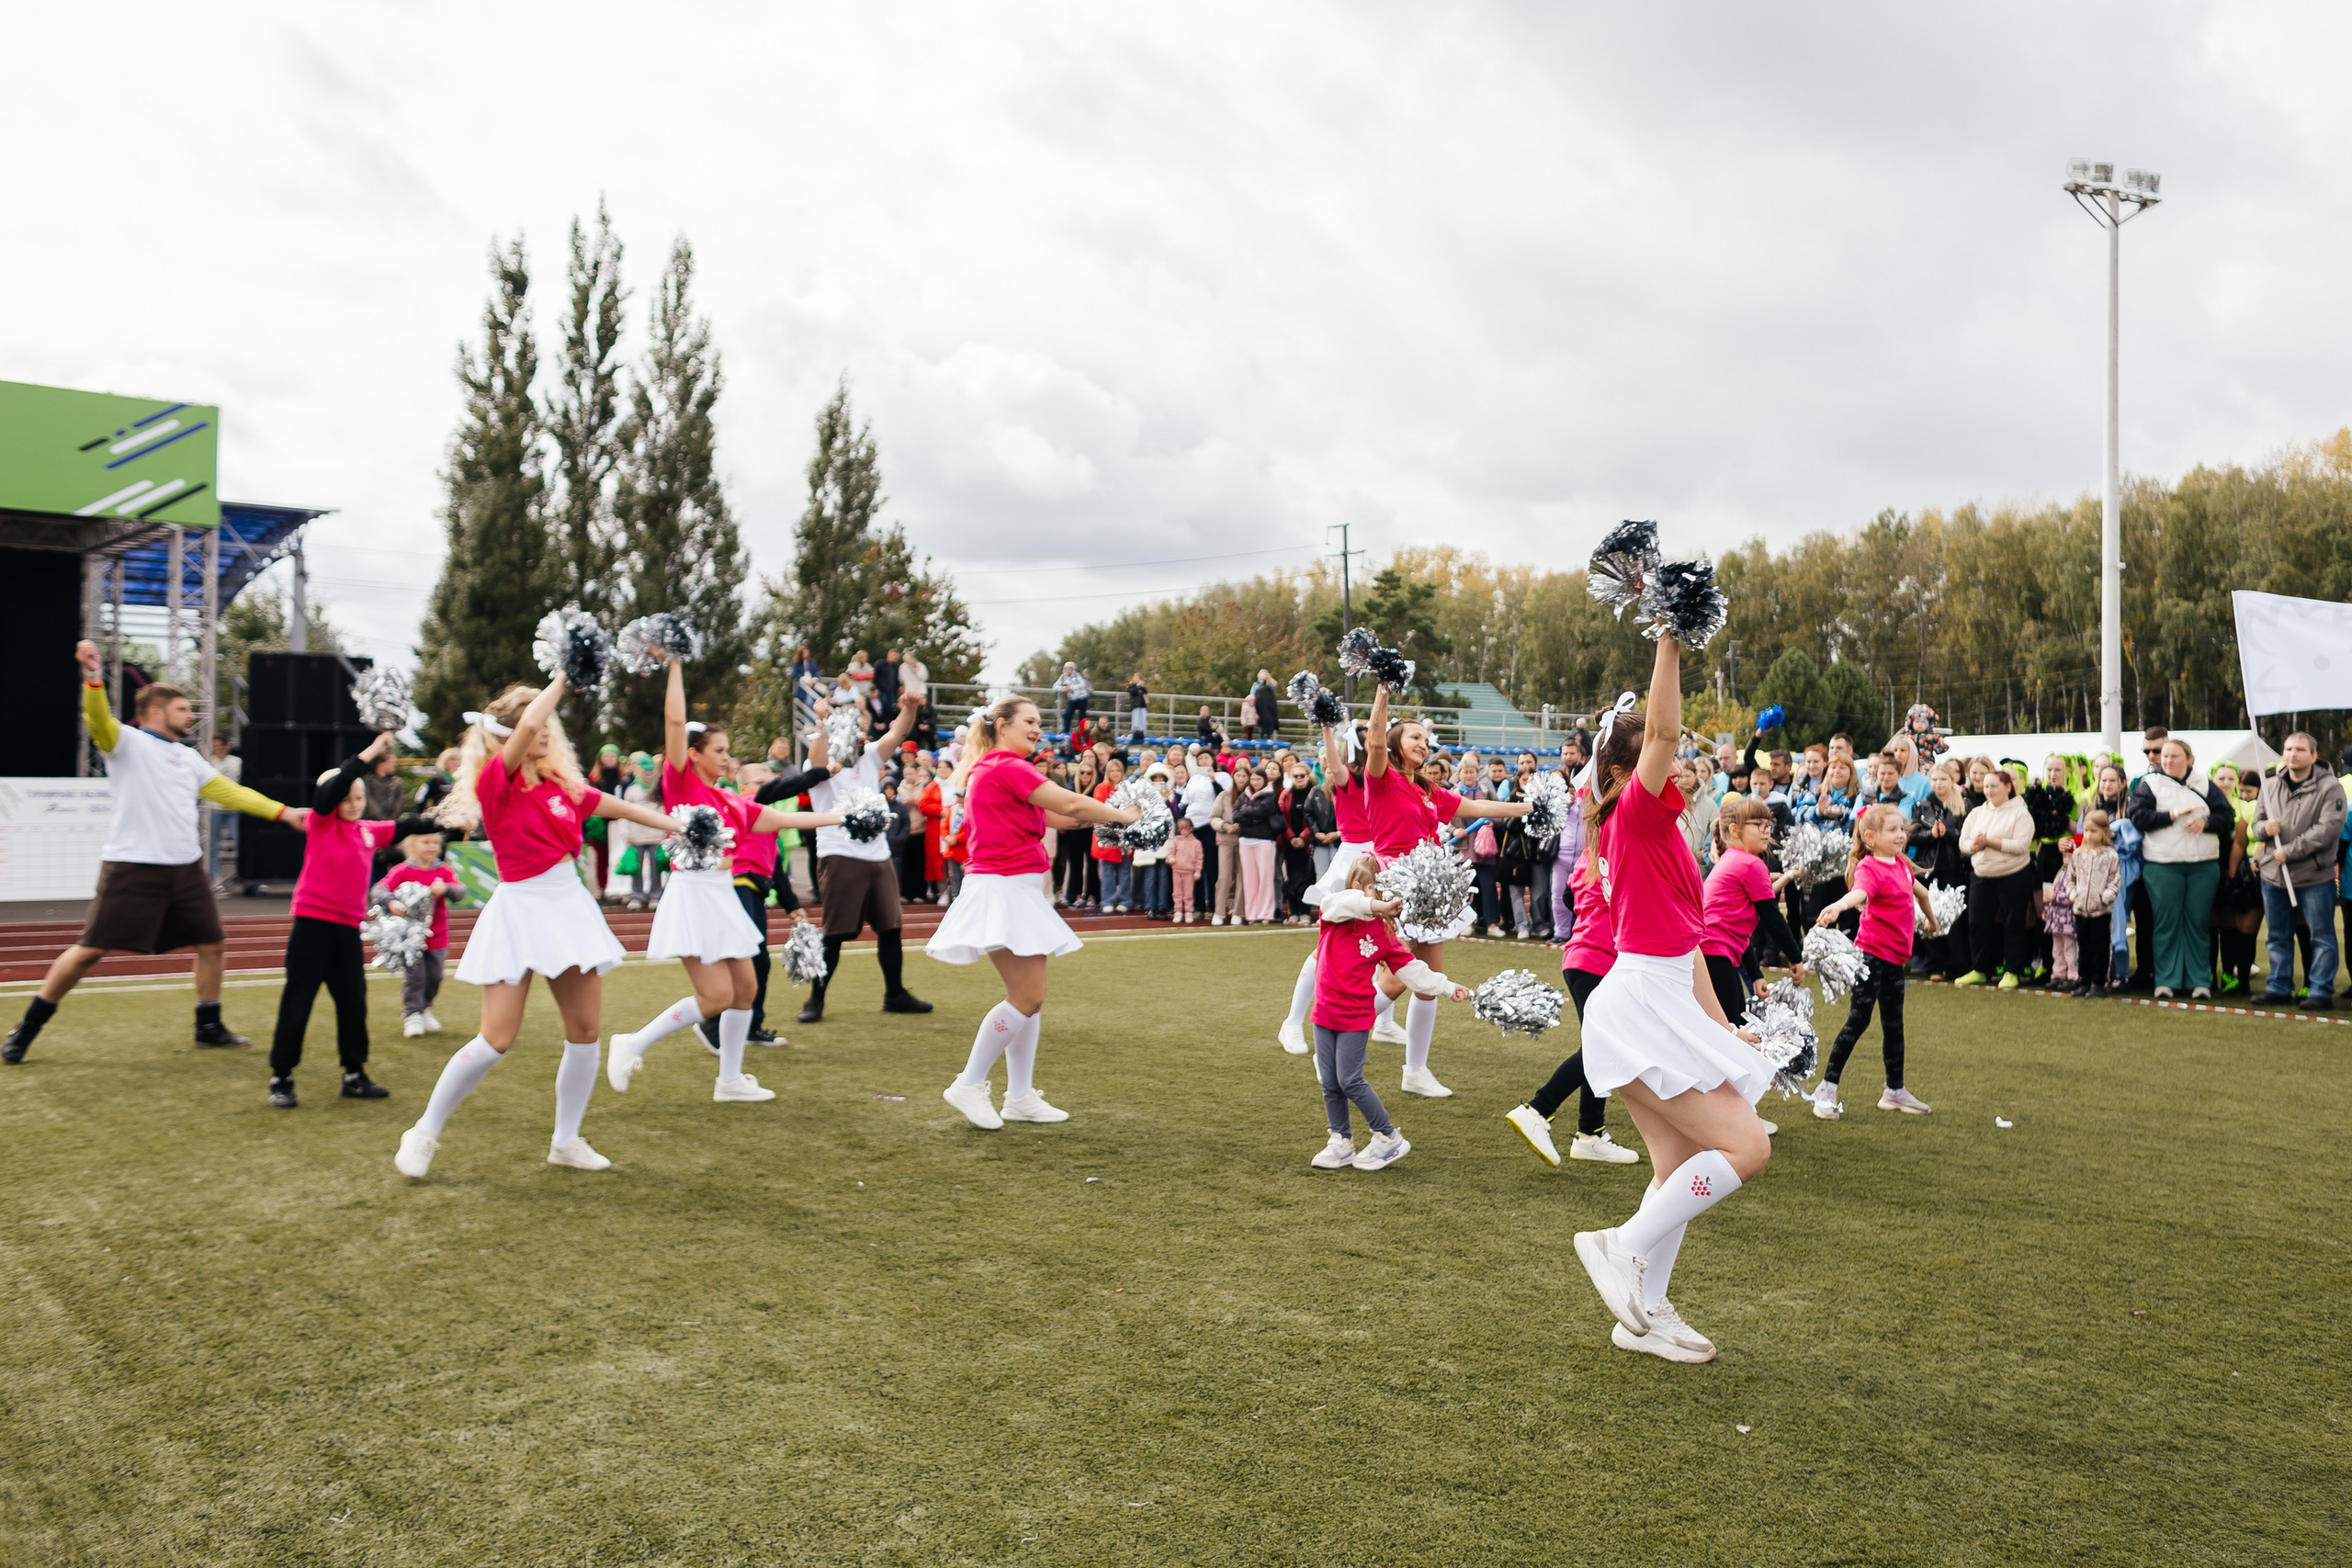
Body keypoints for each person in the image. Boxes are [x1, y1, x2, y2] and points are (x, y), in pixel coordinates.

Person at [1570, 624, 1773, 1367]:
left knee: (1675, 1165)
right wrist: (1670, 637)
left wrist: (1723, 1030)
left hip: (1656, 1001)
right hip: (1638, 1004)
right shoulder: (1636, 809)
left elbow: (1688, 949)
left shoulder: (1657, 830)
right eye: (1668, 754)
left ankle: (1646, 1313)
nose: (1682, 759)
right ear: (1631, 771)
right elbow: (1660, 727)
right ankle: (1620, 1246)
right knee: (1747, 1145)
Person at [395, 675, 683, 1179]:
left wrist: (679, 825)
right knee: (496, 1038)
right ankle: (424, 1130)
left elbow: (611, 805)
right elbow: (528, 723)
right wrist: (567, 671)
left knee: (586, 1032)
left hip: (568, 905)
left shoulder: (560, 785)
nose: (545, 730)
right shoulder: (496, 782)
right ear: (507, 736)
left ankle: (566, 1141)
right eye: (537, 723)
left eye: (551, 723)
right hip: (520, 909)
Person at [6, 643, 311, 1065]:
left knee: (212, 944)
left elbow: (229, 792)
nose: (190, 716)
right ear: (154, 711)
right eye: (182, 709)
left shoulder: (188, 757)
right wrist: (93, 678)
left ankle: (208, 1025)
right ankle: (27, 1028)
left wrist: (283, 812)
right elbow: (97, 721)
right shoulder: (125, 742)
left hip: (185, 869)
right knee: (90, 950)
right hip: (131, 867)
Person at [608, 658, 842, 1102]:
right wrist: (674, 663)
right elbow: (674, 721)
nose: (726, 757)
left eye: (727, 750)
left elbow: (778, 819)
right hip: (693, 895)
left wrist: (843, 817)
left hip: (722, 896)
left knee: (746, 990)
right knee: (715, 996)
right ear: (694, 754)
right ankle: (632, 1043)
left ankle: (729, 1081)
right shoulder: (681, 784)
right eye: (718, 750)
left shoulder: (728, 798)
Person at [927, 695, 1141, 1128]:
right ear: (1002, 726)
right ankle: (969, 1082)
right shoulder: (1006, 766)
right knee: (1027, 997)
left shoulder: (999, 768)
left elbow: (1060, 818)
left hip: (1015, 887)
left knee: (1030, 1000)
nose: (1037, 728)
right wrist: (1124, 815)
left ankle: (1020, 1096)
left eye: (1039, 722)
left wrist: (1112, 817)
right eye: (1028, 720)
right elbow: (1072, 805)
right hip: (1002, 888)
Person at [1359, 677, 1529, 1098]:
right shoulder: (1381, 777)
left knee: (1428, 978)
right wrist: (1383, 691)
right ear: (1396, 744)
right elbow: (1375, 743)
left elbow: (1479, 805)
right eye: (1414, 737)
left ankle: (1414, 1071)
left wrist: (1529, 806)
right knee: (1401, 977)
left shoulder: (1427, 788)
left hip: (1430, 887)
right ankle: (1339, 1031)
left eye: (1425, 738)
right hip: (1397, 882)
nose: (1423, 743)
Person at [1504, 778, 1642, 1168]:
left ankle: (1590, 1132)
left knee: (1601, 1045)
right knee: (1603, 1047)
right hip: (1597, 960)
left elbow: (1569, 896)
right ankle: (1539, 1109)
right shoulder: (1618, 850)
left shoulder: (1590, 853)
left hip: (1582, 958)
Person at [1306, 857, 1474, 1171]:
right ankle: (1340, 1140)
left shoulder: (1381, 934)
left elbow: (1412, 970)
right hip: (1324, 1012)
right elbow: (1335, 903)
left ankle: (1387, 1136)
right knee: (1329, 1082)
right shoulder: (1334, 915)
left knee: (1349, 1080)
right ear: (1356, 887)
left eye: (1381, 892)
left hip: (1355, 1017)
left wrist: (1448, 987)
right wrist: (1378, 906)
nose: (1379, 897)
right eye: (1372, 889)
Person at [268, 734, 406, 1109]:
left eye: (359, 798)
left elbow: (406, 826)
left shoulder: (367, 831)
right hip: (312, 926)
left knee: (353, 1003)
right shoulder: (320, 821)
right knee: (298, 1000)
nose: (354, 804)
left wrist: (446, 820)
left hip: (347, 930)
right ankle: (282, 1077)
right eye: (347, 798)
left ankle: (354, 1074)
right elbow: (337, 785)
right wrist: (372, 752)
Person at [801, 687, 933, 1022]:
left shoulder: (869, 756)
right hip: (839, 854)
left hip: (878, 855)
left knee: (890, 927)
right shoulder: (825, 760)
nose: (861, 731)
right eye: (854, 726)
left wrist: (910, 707)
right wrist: (822, 724)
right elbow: (816, 764)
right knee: (835, 933)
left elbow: (897, 733)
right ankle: (815, 1000)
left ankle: (895, 993)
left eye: (862, 725)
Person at [1808, 804, 1937, 1120]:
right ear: (1870, 837)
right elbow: (1860, 893)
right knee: (1858, 1020)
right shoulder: (1869, 867)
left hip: (1895, 960)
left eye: (1902, 829)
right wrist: (1839, 905)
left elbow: (1921, 893)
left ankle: (1894, 1090)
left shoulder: (1901, 864)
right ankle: (1825, 1089)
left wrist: (1931, 920)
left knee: (1894, 1025)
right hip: (1871, 957)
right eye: (1892, 830)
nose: (1901, 835)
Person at [2128, 738, 2230, 999]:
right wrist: (2173, 814)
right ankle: (2166, 981)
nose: (2168, 760)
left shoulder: (2204, 783)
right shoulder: (2149, 784)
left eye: (2175, 756)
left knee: (2198, 923)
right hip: (2162, 865)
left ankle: (2199, 981)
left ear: (2189, 759)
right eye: (2165, 756)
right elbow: (2138, 817)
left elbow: (2227, 817)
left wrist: (2206, 823)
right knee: (2167, 923)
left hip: (2203, 864)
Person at [2250, 730, 2344, 1010]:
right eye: (2289, 748)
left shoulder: (2330, 787)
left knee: (2321, 936)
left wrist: (2289, 851)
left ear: (2314, 756)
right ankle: (2279, 986)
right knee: (2277, 935)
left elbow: (2326, 830)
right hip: (2273, 875)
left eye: (2300, 750)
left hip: (2313, 875)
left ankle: (2320, 990)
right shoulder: (2269, 785)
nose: (2293, 754)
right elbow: (2256, 823)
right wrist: (2264, 829)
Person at [1698, 798, 1805, 1022]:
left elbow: (1739, 932)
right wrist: (1796, 958)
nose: (1766, 831)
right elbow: (1772, 918)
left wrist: (1755, 975)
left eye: (1768, 824)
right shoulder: (1750, 864)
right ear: (1734, 829)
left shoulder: (1733, 859)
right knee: (1730, 1028)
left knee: (1734, 1024)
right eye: (1758, 824)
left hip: (1709, 952)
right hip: (1713, 953)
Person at [1954, 764, 2035, 989]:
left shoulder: (2021, 813)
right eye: (1986, 786)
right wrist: (1974, 846)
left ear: (2008, 787)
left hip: (2014, 874)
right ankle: (1980, 969)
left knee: (2013, 924)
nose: (1989, 790)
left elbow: (2021, 846)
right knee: (1977, 923)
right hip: (1981, 874)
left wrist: (1989, 842)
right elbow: (1963, 843)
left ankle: (2012, 971)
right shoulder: (1977, 813)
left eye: (1994, 786)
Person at [381, 821, 463, 1036]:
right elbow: (379, 890)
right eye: (426, 842)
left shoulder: (443, 871)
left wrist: (446, 889)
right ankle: (412, 1014)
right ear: (411, 845)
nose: (432, 846)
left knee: (435, 977)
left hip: (438, 936)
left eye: (436, 842)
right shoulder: (402, 871)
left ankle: (425, 1008)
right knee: (416, 977)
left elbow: (459, 892)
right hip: (411, 939)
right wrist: (390, 902)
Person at [2065, 812, 2120, 997]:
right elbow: (2070, 878)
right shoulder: (2078, 854)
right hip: (2081, 909)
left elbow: (2114, 882)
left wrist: (2104, 899)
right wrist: (2074, 895)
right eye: (2086, 830)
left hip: (2101, 912)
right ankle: (2084, 981)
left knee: (2100, 948)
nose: (2088, 835)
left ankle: (2098, 983)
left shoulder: (2111, 855)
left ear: (2104, 831)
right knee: (2084, 947)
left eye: (2093, 831)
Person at [616, 753, 668, 910]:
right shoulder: (631, 790)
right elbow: (624, 812)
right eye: (646, 770)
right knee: (636, 868)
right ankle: (636, 896)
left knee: (656, 868)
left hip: (655, 836)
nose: (648, 773)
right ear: (639, 770)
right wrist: (625, 834)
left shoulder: (659, 789)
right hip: (636, 836)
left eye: (651, 770)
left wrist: (665, 831)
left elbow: (664, 811)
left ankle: (655, 895)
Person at [1235, 763, 1282, 923]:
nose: (1255, 782)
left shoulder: (1270, 796)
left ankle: (1265, 914)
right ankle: (1252, 914)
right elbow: (1235, 815)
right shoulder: (1243, 795)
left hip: (1264, 841)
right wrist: (1251, 816)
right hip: (1245, 841)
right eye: (1253, 779)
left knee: (1265, 878)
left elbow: (1262, 812)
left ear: (1264, 780)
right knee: (1249, 880)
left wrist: (1246, 811)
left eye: (1258, 779)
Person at [1277, 760, 1319, 923]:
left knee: (1307, 878)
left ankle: (1305, 912)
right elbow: (1281, 817)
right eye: (1296, 776)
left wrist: (1303, 837)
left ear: (1308, 776)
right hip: (1290, 844)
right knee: (1292, 877)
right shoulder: (1286, 794)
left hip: (1309, 844)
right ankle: (1293, 912)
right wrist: (1291, 837)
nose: (1299, 778)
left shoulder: (1315, 793)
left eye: (1302, 775)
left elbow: (1315, 818)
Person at [1055, 662, 1091, 736]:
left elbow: (1082, 684)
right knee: (1067, 715)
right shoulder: (1063, 677)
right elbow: (1055, 686)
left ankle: (1082, 734)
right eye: (1068, 669)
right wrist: (1062, 688)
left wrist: (1072, 687)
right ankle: (1066, 733)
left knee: (1082, 717)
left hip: (1082, 697)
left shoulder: (1077, 675)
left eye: (1071, 669)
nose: (1070, 671)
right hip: (1072, 699)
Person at [1249, 669, 1280, 743]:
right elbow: (1252, 694)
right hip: (1260, 707)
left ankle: (1269, 739)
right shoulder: (1256, 684)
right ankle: (1261, 740)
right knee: (1261, 724)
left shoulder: (1269, 683)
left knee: (1270, 722)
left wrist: (1268, 677)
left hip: (1269, 706)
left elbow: (1275, 684)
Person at [1126, 673, 1149, 739]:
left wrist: (1142, 686)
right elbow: (1132, 692)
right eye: (1136, 678)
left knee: (1143, 720)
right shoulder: (1131, 686)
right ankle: (1135, 733)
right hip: (1135, 705)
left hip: (1142, 705)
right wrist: (1137, 686)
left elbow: (1146, 692)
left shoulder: (1141, 687)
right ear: (1133, 679)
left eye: (1138, 678)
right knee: (1136, 720)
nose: (1137, 680)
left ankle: (1143, 733)